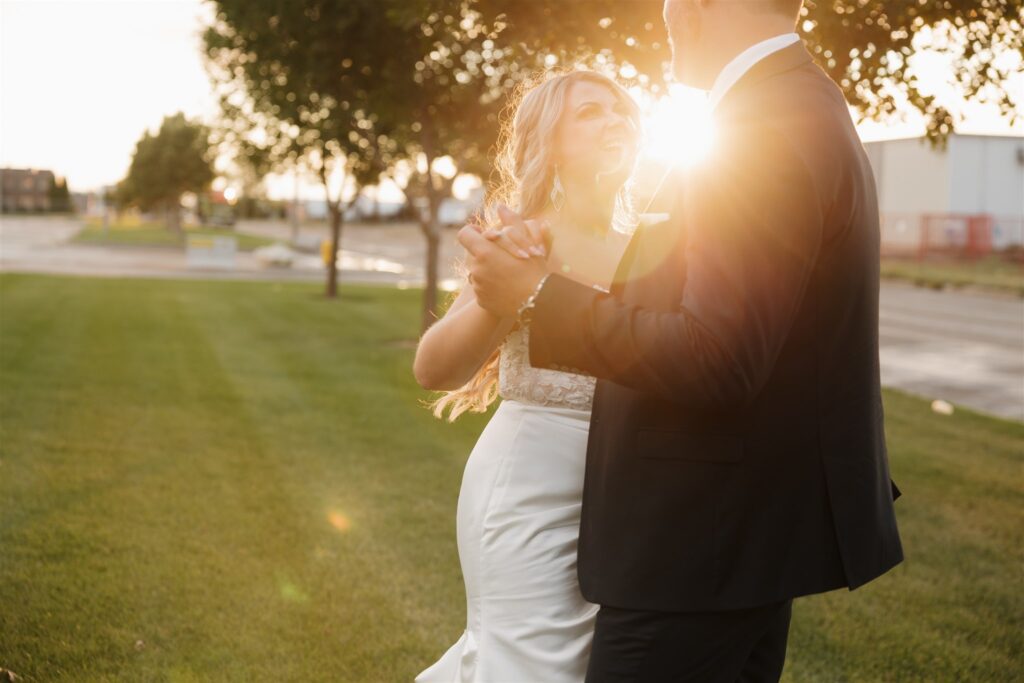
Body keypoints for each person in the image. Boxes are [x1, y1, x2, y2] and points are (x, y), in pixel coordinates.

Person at [457, 0, 904, 680]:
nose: (665, 12)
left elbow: (717, 357)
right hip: (733, 538)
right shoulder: (796, 105)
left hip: (697, 545)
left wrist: (538, 296)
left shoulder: (762, 129)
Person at [413, 69, 643, 682]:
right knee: (531, 666)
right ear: (551, 142)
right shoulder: (523, 235)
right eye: (590, 113)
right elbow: (434, 367)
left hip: (625, 492)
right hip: (530, 488)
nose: (613, 121)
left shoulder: (653, 249)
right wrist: (512, 294)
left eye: (620, 110)